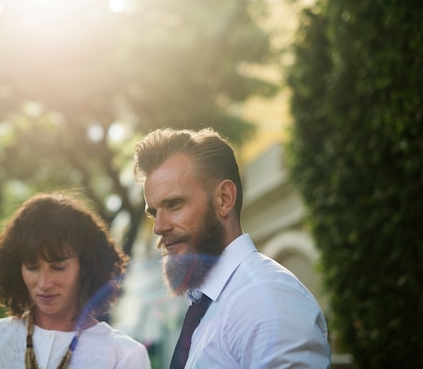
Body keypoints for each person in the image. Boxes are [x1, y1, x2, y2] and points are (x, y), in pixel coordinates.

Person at [133, 127, 331, 368]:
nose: (159, 227)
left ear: (224, 199)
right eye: (154, 213)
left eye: (174, 204)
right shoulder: (209, 303)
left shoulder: (266, 299)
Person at [0, 193, 151, 369]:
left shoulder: (124, 356)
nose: (44, 284)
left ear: (86, 267)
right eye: (32, 267)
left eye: (58, 267)